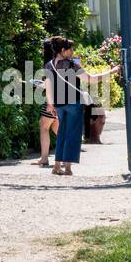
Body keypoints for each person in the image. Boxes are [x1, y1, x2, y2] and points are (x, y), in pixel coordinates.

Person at [48, 38, 87, 176]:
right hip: (73, 103)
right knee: (72, 135)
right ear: (63, 50)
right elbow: (91, 78)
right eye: (71, 49)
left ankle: (57, 166)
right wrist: (111, 72)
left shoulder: (49, 65)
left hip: (59, 105)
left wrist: (50, 104)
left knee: (62, 134)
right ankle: (68, 168)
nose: (72, 52)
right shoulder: (72, 65)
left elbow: (48, 87)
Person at [30, 37, 63, 167]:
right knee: (56, 127)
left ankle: (44, 158)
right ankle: (67, 154)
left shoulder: (50, 64)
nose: (41, 51)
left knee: (44, 127)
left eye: (42, 49)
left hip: (53, 100)